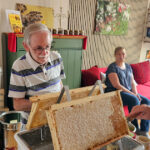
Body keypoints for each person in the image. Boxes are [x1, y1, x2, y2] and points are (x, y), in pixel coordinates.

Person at [8, 23, 65, 111]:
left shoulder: (56, 57)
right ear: (26, 46)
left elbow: (59, 85)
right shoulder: (19, 66)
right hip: (34, 123)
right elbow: (17, 105)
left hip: (57, 116)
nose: (45, 53)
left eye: (47, 46)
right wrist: (48, 104)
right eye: (38, 48)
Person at [105, 46, 150, 137]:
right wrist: (133, 94)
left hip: (128, 90)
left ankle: (144, 130)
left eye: (123, 54)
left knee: (146, 101)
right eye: (119, 54)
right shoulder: (112, 67)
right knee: (134, 100)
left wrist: (136, 93)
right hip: (115, 92)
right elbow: (117, 85)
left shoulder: (128, 67)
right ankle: (135, 128)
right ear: (115, 55)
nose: (121, 56)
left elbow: (132, 82)